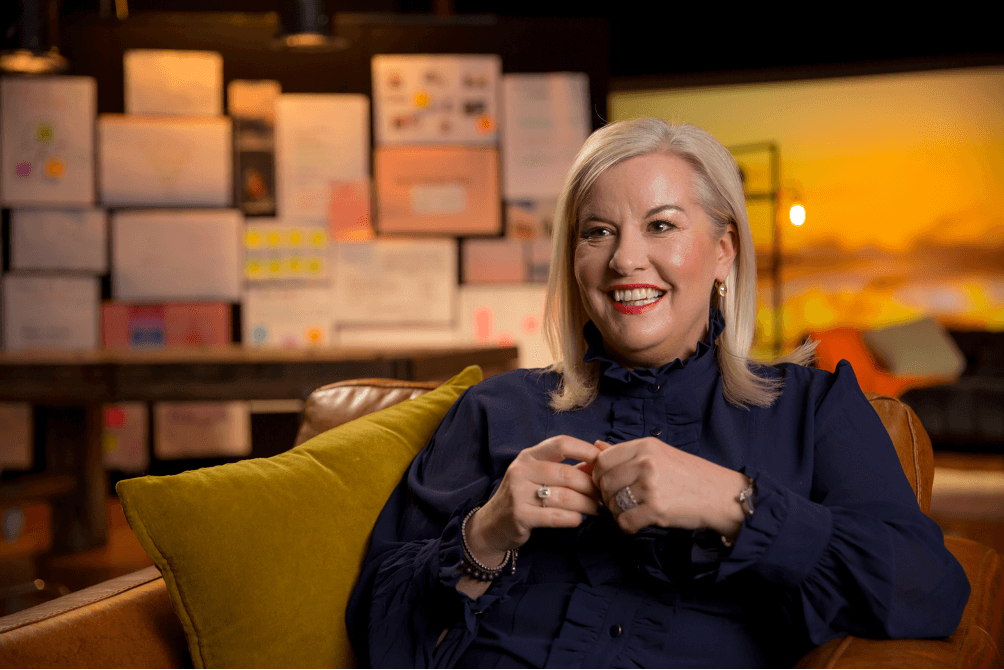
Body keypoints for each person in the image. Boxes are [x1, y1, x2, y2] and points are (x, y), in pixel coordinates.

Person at [345, 117, 969, 668]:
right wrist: (486, 534)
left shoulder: (813, 409)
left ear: (723, 250)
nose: (626, 260)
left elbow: (928, 592)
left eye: (661, 225)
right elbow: (377, 638)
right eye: (598, 232)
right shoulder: (494, 409)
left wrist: (737, 504)